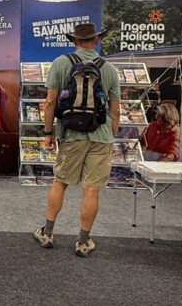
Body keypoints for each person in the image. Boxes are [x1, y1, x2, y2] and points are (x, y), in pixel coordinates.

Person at [33, 22, 121, 256]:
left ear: (74, 41)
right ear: (98, 40)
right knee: (91, 189)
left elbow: (51, 102)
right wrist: (110, 136)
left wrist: (49, 132)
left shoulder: (62, 63)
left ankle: (47, 233)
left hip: (71, 134)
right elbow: (116, 109)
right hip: (101, 136)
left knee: (60, 182)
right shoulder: (109, 69)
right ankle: (83, 242)